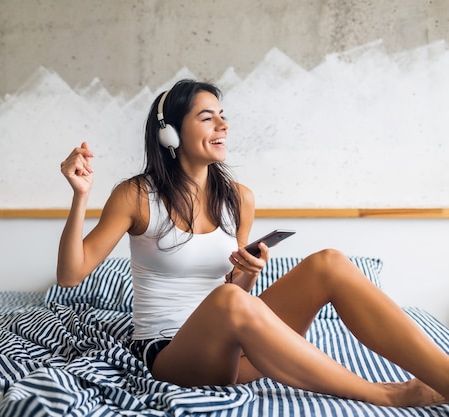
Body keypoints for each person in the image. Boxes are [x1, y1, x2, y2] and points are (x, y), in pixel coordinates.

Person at [57, 79, 449, 407]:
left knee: (328, 262)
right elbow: (70, 276)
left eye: (223, 117)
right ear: (170, 132)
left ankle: (444, 379)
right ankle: (384, 395)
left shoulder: (237, 198)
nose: (222, 126)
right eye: (207, 118)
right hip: (174, 354)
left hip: (238, 353)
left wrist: (246, 275)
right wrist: (81, 196)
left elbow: (234, 293)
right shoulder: (137, 195)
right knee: (229, 303)